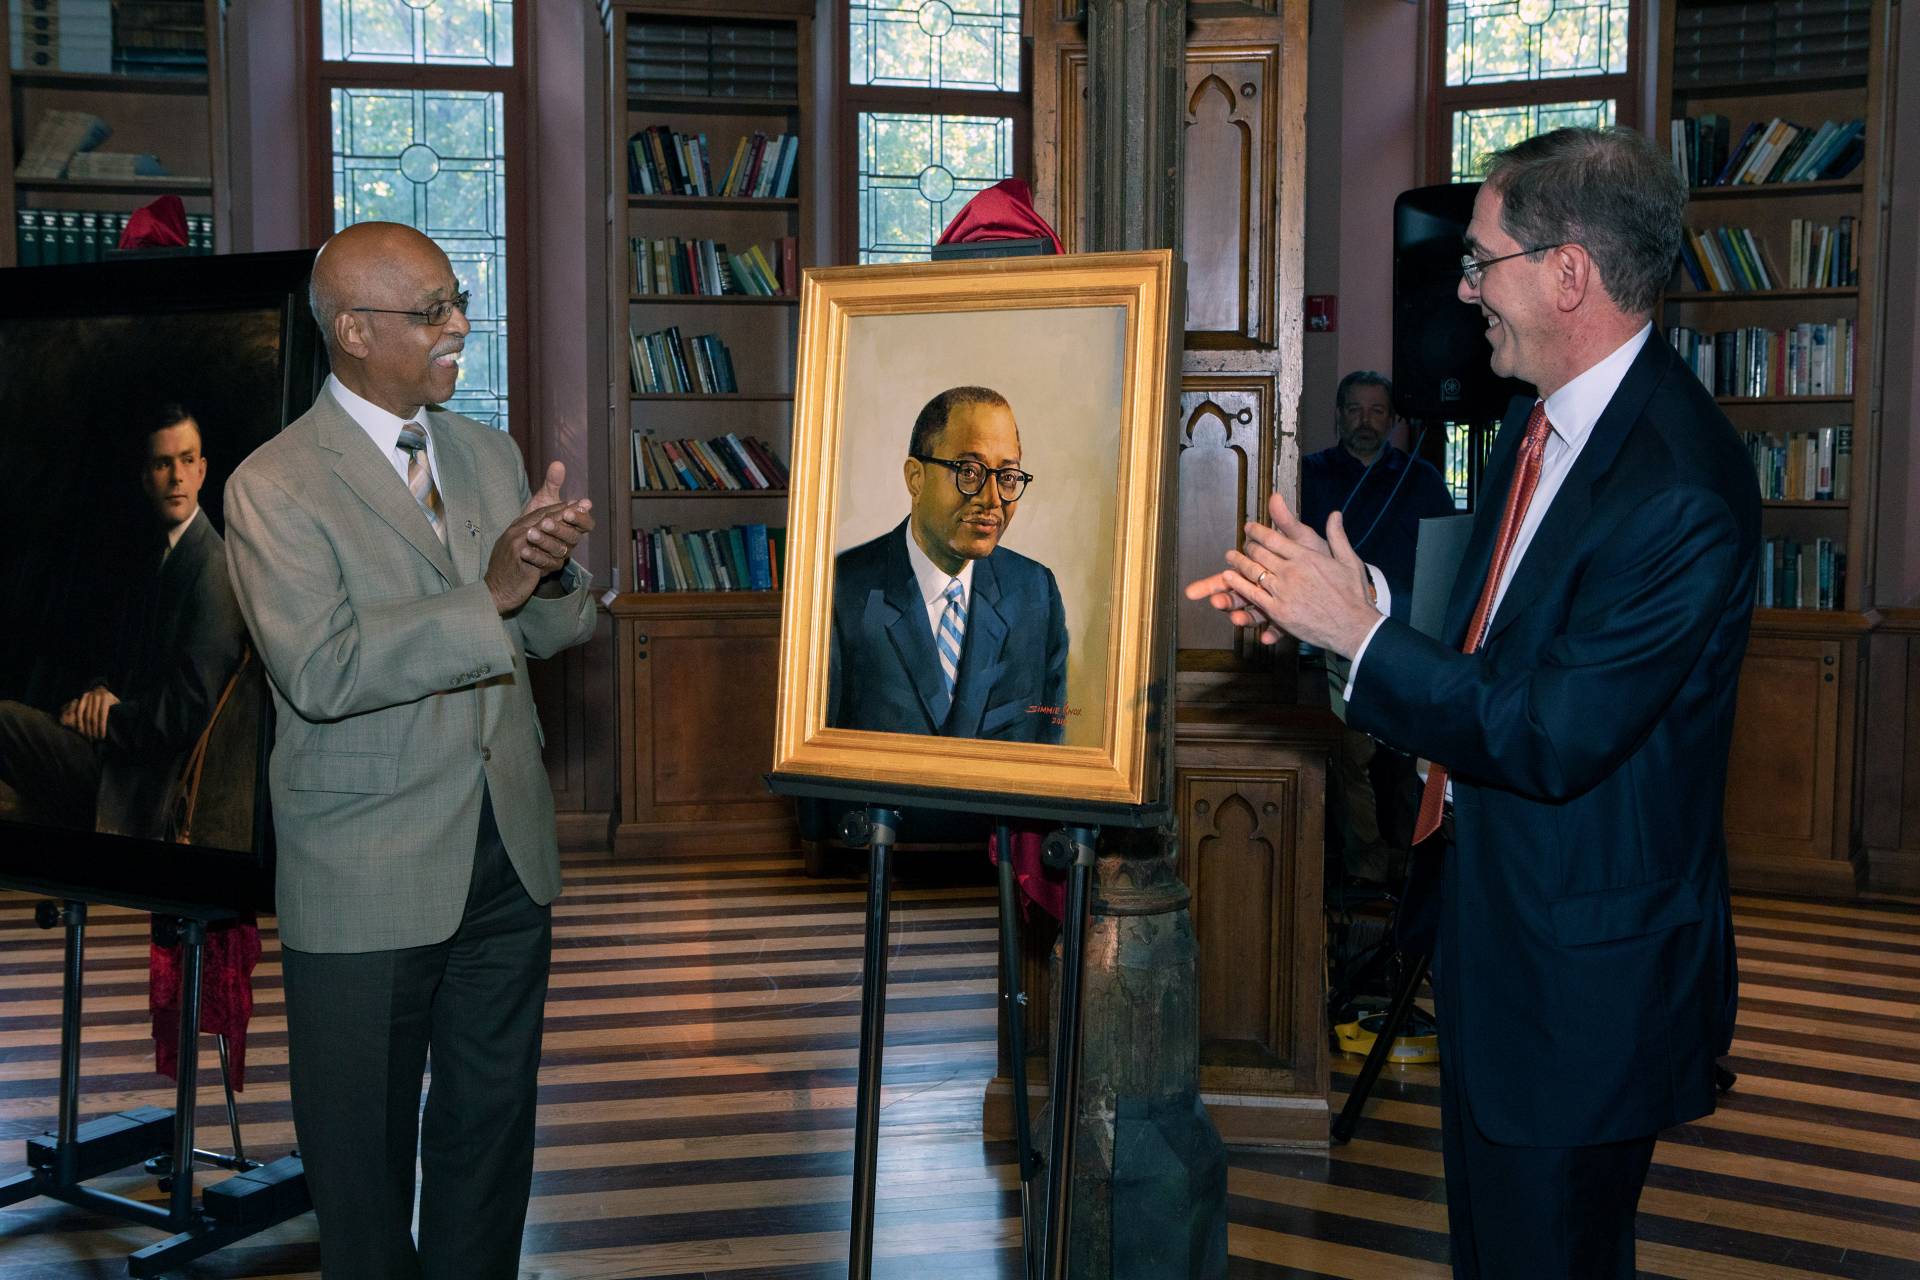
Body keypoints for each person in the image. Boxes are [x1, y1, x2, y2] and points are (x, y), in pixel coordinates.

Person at [1186, 126, 1759, 1277]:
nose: (1461, 288)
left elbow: (1551, 733)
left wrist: (1362, 634)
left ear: (1568, 274)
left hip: (1581, 988)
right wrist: (1347, 605)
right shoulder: (1534, 422)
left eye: (1480, 260)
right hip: (1497, 946)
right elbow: (1488, 638)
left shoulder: (1679, 487)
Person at [223, 222, 596, 1279]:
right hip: (367, 867)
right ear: (351, 330)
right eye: (431, 309)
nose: (460, 326)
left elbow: (542, 631)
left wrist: (553, 574)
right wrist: (490, 592)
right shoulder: (272, 485)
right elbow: (325, 669)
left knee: (490, 1141)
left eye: (456, 299)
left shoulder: (485, 449)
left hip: (506, 855)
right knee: (363, 1169)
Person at [0, 404, 245, 839]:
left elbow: (188, 710)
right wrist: (97, 691)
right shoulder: (155, 558)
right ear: (145, 478)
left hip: (137, 783)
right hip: (114, 752)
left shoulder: (213, 570)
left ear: (203, 471)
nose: (176, 478)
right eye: (162, 463)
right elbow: (120, 659)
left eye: (187, 461)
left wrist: (107, 720)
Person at [827, 385, 1068, 744]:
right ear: (915, 478)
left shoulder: (1035, 592)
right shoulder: (841, 590)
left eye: (1007, 477)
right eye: (969, 472)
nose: (992, 500)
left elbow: (1050, 749)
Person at [1301, 371, 1456, 883]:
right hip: (1335, 642)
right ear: (1338, 415)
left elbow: (1448, 561)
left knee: (1407, 768)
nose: (1364, 421)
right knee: (1351, 764)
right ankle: (1365, 873)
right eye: (1354, 409)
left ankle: (1413, 872)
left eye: (1375, 411)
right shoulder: (1310, 474)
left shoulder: (1423, 479)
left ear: (1391, 420)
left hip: (1408, 641)